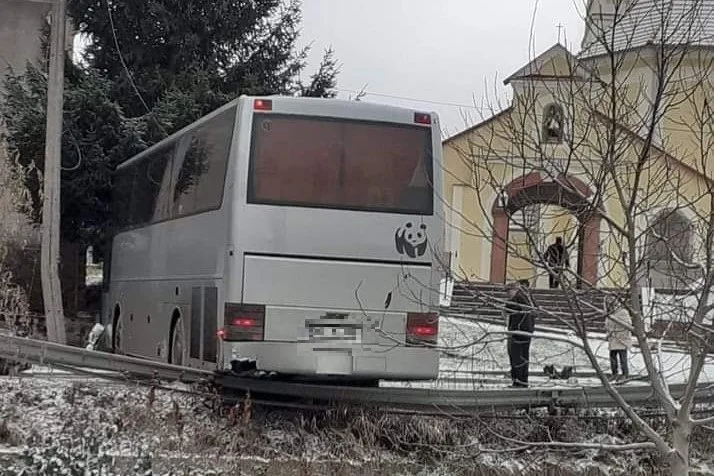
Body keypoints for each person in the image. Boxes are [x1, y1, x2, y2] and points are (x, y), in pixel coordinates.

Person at [505, 281, 534, 387]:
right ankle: (523, 381)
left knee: (516, 356)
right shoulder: (527, 297)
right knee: (524, 357)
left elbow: (508, 308)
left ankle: (518, 381)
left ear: (514, 290)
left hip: (519, 332)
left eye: (508, 292)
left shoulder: (518, 298)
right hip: (527, 331)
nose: (507, 294)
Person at [605, 297, 632, 382]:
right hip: (613, 339)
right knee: (612, 357)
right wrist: (608, 334)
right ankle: (614, 374)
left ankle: (625, 374)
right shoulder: (609, 314)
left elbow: (627, 324)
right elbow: (607, 326)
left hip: (622, 339)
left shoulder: (623, 312)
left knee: (622, 358)